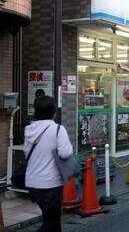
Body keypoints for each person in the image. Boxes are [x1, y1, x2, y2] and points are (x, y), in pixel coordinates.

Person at [24, 96, 73, 232]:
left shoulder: (29, 129)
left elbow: (26, 152)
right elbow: (65, 153)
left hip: (32, 182)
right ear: (53, 112)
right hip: (50, 184)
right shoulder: (57, 129)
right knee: (51, 222)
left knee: (52, 220)